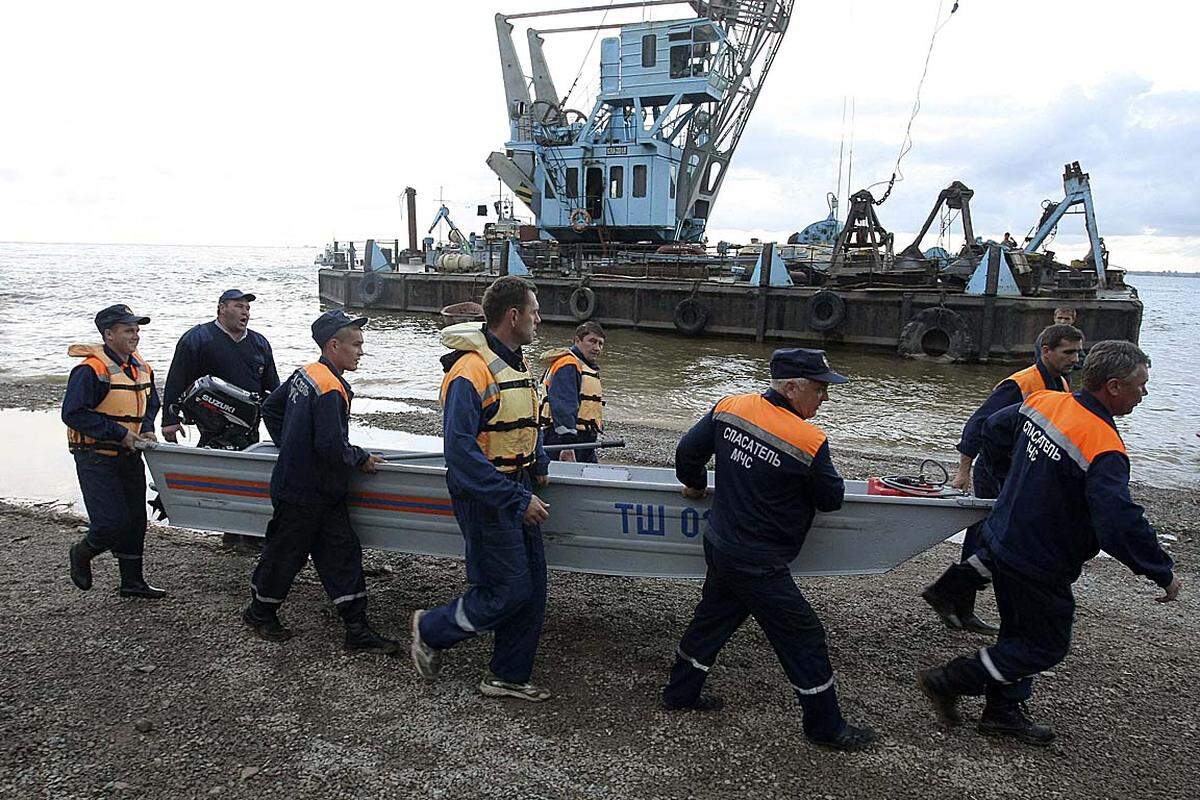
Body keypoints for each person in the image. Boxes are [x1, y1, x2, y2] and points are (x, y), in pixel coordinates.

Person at [918, 341, 1180, 746]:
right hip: (1040, 560)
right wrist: (1160, 571)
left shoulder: (1046, 402)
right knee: (1043, 645)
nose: (1144, 395)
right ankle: (951, 680)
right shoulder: (1103, 445)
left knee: (1019, 633)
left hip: (1007, 539)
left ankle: (1002, 711)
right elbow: (1119, 523)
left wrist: (1016, 480)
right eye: (1141, 386)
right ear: (1113, 387)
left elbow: (996, 429)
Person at [661, 348, 876, 752]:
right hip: (760, 562)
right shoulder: (808, 440)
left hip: (721, 543)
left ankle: (680, 692)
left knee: (713, 620)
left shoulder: (730, 406)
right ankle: (825, 727)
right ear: (792, 387)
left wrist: (693, 482)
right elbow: (831, 498)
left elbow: (688, 453)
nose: (825, 398)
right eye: (820, 389)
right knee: (804, 636)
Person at [410, 276, 553, 702]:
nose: (538, 319)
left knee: (533, 587)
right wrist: (515, 497)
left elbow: (527, 415)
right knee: (507, 589)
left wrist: (538, 461)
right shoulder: (470, 371)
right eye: (534, 312)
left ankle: (508, 675)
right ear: (513, 316)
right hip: (486, 494)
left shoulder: (517, 361)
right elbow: (460, 453)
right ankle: (431, 630)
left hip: (517, 484)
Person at [241, 310, 398, 654]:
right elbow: (330, 445)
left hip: (312, 488)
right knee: (285, 554)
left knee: (342, 553)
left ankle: (356, 630)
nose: (361, 351)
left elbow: (271, 407)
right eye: (356, 344)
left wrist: (290, 444)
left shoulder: (305, 374)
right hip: (306, 492)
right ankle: (259, 613)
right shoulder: (330, 387)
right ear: (333, 345)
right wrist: (361, 458)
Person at [922, 324, 1084, 633]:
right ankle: (955, 599)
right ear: (1046, 351)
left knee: (990, 536)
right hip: (995, 470)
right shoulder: (1021, 384)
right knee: (990, 535)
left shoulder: (1061, 383)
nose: (1075, 358)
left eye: (1078, 352)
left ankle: (954, 599)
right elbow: (979, 424)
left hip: (1020, 470)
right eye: (1068, 352)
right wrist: (964, 470)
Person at [64, 304, 165, 599]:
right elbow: (74, 414)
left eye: (137, 330)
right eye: (128, 330)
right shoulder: (89, 370)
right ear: (108, 335)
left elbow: (152, 401)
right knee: (110, 523)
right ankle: (82, 552)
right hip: (96, 456)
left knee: (135, 521)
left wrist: (146, 426)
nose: (135, 336)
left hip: (130, 454)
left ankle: (132, 582)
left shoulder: (141, 366)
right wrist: (120, 433)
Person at [161, 289, 279, 446]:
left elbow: (273, 388)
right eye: (239, 306)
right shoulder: (198, 338)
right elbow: (177, 379)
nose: (245, 313)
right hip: (211, 421)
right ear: (222, 308)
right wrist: (170, 420)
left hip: (249, 423)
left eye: (247, 308)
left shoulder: (259, 343)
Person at [540, 321, 606, 463]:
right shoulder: (568, 365)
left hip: (582, 439)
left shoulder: (582, 365)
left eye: (600, 344)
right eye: (592, 341)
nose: (597, 348)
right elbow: (563, 405)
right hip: (563, 439)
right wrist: (567, 446)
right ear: (577, 340)